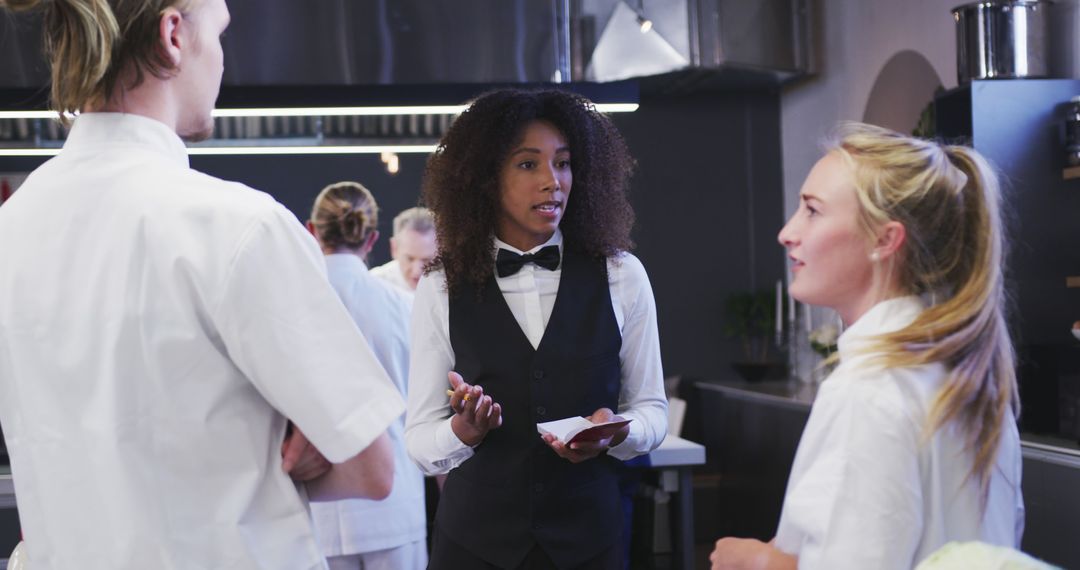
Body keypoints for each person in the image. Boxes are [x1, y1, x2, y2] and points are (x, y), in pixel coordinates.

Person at [0, 1, 403, 568]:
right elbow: (372, 469)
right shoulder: (237, 225)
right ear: (173, 35)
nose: (220, 60)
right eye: (217, 34)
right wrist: (279, 441)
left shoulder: (10, 228)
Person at [710, 122, 1024, 570]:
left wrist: (759, 562)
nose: (787, 233)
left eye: (812, 211)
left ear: (884, 239)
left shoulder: (869, 390)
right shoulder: (969, 376)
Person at [405, 88, 669, 569]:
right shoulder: (442, 285)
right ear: (486, 178)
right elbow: (419, 440)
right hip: (474, 546)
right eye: (528, 164)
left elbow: (652, 409)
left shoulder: (621, 273)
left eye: (563, 163)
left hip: (589, 543)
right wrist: (463, 432)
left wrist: (615, 434)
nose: (553, 182)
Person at [306, 182, 427, 570]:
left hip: (315, 507)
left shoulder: (288, 303)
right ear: (373, 239)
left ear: (311, 230)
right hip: (395, 504)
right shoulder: (405, 307)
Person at [370, 206, 437, 297]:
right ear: (394, 248)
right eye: (409, 258)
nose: (417, 271)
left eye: (427, 260)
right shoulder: (372, 286)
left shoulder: (451, 288)